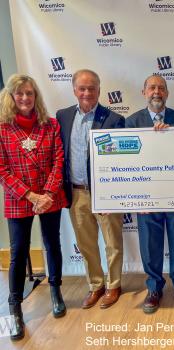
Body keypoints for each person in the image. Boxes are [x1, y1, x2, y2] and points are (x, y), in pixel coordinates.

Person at [0, 74, 68, 341]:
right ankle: (14, 307)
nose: (25, 98)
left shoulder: (50, 125)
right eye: (20, 94)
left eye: (29, 93)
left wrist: (48, 193)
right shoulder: (2, 128)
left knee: (53, 244)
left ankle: (56, 291)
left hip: (50, 196)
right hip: (20, 199)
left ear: (36, 96)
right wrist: (31, 196)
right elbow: (2, 170)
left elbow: (58, 160)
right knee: (18, 252)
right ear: (11, 97)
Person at [56, 69, 125, 309]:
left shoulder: (114, 119)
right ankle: (96, 286)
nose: (87, 92)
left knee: (112, 242)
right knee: (86, 245)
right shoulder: (62, 116)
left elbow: (118, 161)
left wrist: (110, 194)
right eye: (82, 88)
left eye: (92, 88)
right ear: (74, 90)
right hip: (75, 193)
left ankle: (114, 284)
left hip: (104, 193)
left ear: (99, 90)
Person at [126, 75, 174, 313]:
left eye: (161, 88)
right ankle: (154, 287)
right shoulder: (132, 121)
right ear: (144, 91)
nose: (157, 92)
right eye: (152, 87)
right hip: (147, 194)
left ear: (167, 93)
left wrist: (169, 138)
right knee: (149, 243)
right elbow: (128, 161)